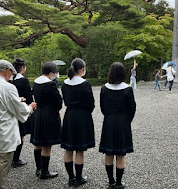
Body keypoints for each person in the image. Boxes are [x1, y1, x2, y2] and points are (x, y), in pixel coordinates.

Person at [0, 59, 36, 189]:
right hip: (4, 132)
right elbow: (20, 111)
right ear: (7, 70)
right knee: (3, 164)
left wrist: (17, 100)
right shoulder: (8, 87)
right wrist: (30, 107)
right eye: (11, 73)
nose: (11, 76)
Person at [99, 62, 136, 189]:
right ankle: (119, 183)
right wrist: (126, 120)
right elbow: (132, 109)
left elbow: (102, 107)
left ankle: (111, 182)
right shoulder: (128, 89)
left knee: (108, 153)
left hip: (108, 122)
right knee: (120, 154)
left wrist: (109, 116)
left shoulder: (104, 88)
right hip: (123, 122)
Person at [61, 58, 95, 187]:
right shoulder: (85, 84)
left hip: (69, 115)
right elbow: (91, 103)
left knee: (68, 148)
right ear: (82, 69)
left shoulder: (64, 84)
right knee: (79, 149)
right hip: (82, 117)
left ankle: (71, 178)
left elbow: (65, 101)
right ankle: (79, 178)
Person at [31, 61, 62, 179]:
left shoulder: (36, 82)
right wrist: (57, 109)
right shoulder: (50, 84)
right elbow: (58, 100)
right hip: (49, 114)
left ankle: (38, 168)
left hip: (38, 113)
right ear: (51, 73)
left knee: (38, 142)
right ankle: (45, 171)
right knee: (47, 144)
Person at [10, 58, 34, 168]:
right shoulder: (23, 80)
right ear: (23, 67)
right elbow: (29, 96)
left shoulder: (9, 80)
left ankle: (9, 157)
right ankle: (15, 158)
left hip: (9, 110)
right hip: (21, 109)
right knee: (20, 134)